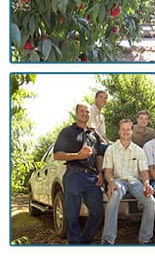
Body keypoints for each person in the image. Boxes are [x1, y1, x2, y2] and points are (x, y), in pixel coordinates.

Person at [53, 102, 105, 244]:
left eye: (87, 111)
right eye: (82, 111)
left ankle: (84, 241)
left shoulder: (93, 134)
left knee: (98, 212)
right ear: (76, 113)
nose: (85, 113)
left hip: (93, 177)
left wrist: (100, 173)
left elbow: (99, 154)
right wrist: (77, 155)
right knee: (72, 214)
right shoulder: (67, 131)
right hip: (74, 174)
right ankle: (75, 244)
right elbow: (57, 155)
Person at [101, 118, 155, 245]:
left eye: (128, 129)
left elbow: (144, 172)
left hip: (135, 183)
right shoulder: (111, 149)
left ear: (132, 131)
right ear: (119, 132)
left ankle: (145, 239)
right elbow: (108, 171)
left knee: (151, 201)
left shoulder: (139, 150)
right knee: (114, 195)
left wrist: (147, 183)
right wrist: (110, 182)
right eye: (123, 129)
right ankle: (108, 239)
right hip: (118, 181)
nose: (126, 132)